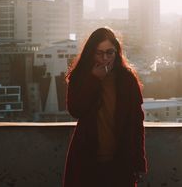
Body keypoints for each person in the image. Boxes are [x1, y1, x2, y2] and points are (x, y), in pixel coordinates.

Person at [63, 27, 147, 187]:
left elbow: (136, 123)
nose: (105, 58)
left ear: (117, 53)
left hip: (120, 161)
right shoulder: (80, 76)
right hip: (87, 159)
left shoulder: (127, 80)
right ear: (91, 53)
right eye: (99, 53)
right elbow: (75, 110)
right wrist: (94, 80)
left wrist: (138, 163)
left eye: (110, 53)